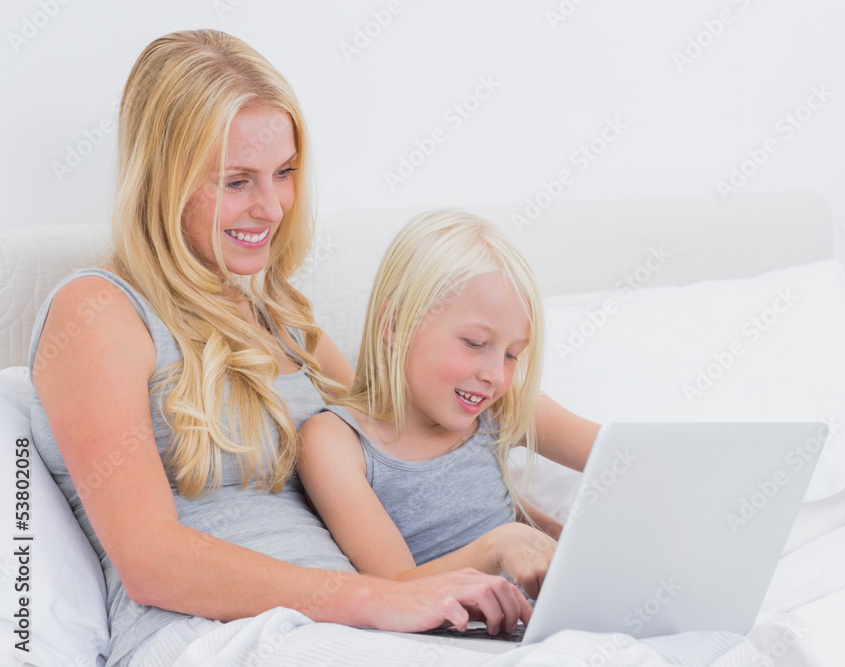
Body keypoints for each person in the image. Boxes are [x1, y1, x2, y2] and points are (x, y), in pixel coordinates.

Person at [26, 29, 596, 667]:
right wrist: (373, 599)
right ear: (163, 181)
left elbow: (391, 458)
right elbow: (150, 560)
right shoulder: (99, 311)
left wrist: (532, 526)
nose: (270, 206)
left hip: (346, 629)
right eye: (236, 180)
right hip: (214, 635)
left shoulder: (289, 325)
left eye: (285, 173)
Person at [298, 210, 574, 601]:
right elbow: (393, 588)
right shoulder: (335, 442)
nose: (496, 375)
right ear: (395, 326)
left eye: (512, 354)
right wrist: (499, 545)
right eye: (475, 343)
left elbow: (629, 453)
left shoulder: (502, 408)